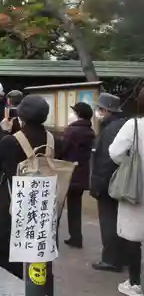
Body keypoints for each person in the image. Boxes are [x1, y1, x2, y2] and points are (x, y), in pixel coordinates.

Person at [0, 95, 59, 296]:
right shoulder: (54, 141)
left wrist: (3, 132)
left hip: (13, 207)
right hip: (42, 207)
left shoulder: (10, 141)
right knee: (41, 262)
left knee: (10, 262)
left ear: (20, 116)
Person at [109, 88, 144, 296]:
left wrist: (129, 166)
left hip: (136, 186)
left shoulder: (134, 125)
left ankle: (135, 283)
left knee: (134, 236)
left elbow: (115, 152)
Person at [90, 92, 127, 272]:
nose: (97, 112)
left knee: (109, 222)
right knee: (122, 222)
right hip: (123, 183)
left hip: (108, 184)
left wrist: (98, 186)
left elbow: (105, 160)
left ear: (105, 110)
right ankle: (126, 257)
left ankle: (111, 259)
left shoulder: (110, 129)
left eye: (99, 109)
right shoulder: (123, 125)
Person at [61, 102, 96, 249]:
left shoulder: (72, 131)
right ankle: (76, 237)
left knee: (60, 205)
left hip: (69, 172)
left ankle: (71, 237)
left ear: (78, 115)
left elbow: (62, 150)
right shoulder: (90, 131)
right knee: (76, 205)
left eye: (74, 112)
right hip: (82, 173)